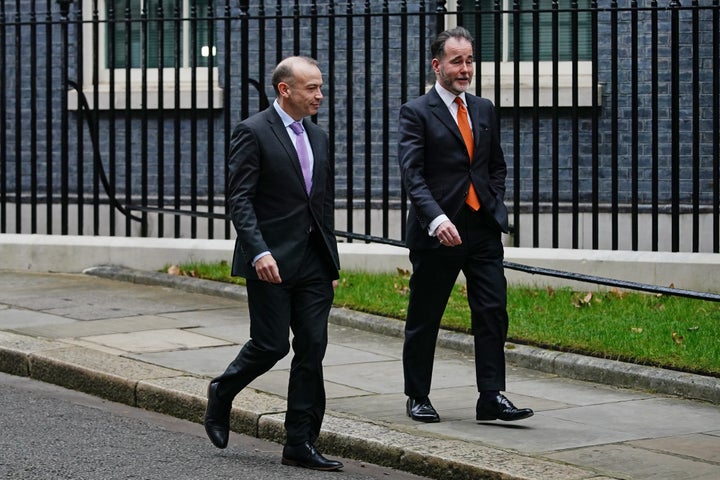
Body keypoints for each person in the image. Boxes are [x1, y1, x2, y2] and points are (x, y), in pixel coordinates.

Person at [203, 56, 343, 471]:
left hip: (314, 262)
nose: (319, 95)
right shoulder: (252, 131)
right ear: (285, 90)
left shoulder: (318, 137)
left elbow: (323, 205)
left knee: (313, 347)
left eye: (320, 87)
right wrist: (259, 251)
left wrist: (331, 264)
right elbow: (240, 199)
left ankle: (299, 442)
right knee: (271, 345)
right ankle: (223, 390)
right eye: (311, 88)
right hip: (270, 259)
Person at [398, 27, 533, 424]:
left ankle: (490, 396)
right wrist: (436, 218)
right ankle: (417, 395)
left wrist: (492, 200)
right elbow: (413, 175)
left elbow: (496, 164)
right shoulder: (417, 112)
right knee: (426, 315)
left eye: (470, 60)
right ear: (437, 64)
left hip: (482, 228)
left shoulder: (483, 108)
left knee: (492, 311)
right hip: (439, 231)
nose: (465, 69)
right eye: (457, 61)